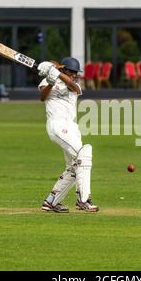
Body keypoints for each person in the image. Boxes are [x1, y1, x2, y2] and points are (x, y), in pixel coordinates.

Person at [38, 57, 99, 213]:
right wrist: (51, 80)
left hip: (72, 127)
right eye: (71, 72)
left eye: (75, 73)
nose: (74, 76)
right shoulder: (48, 81)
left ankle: (51, 201)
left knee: (74, 166)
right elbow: (42, 97)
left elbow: (74, 88)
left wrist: (56, 73)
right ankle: (84, 200)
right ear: (64, 69)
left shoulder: (74, 85)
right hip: (57, 125)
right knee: (84, 155)